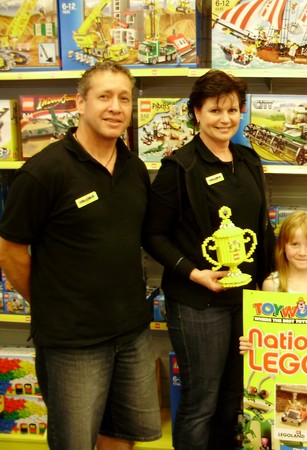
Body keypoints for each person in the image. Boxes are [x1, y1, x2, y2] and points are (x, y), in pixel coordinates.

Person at [0, 62, 161, 450]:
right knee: (74, 442)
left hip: (131, 331)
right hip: (73, 342)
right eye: (104, 96)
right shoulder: (45, 171)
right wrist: (50, 302)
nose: (115, 107)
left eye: (124, 98)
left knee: (124, 435)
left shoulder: (134, 168)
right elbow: (10, 251)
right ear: (80, 102)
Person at [143, 69, 275, 450]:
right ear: (196, 112)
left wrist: (271, 280)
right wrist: (193, 273)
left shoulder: (249, 160)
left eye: (233, 109)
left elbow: (261, 228)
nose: (226, 119)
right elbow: (152, 234)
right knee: (202, 401)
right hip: (199, 302)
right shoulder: (179, 168)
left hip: (246, 300)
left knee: (235, 398)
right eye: (215, 110)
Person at [239, 210, 307, 353]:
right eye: (294, 244)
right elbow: (264, 332)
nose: (302, 252)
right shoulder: (271, 285)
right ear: (283, 246)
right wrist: (252, 343)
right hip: (284, 366)